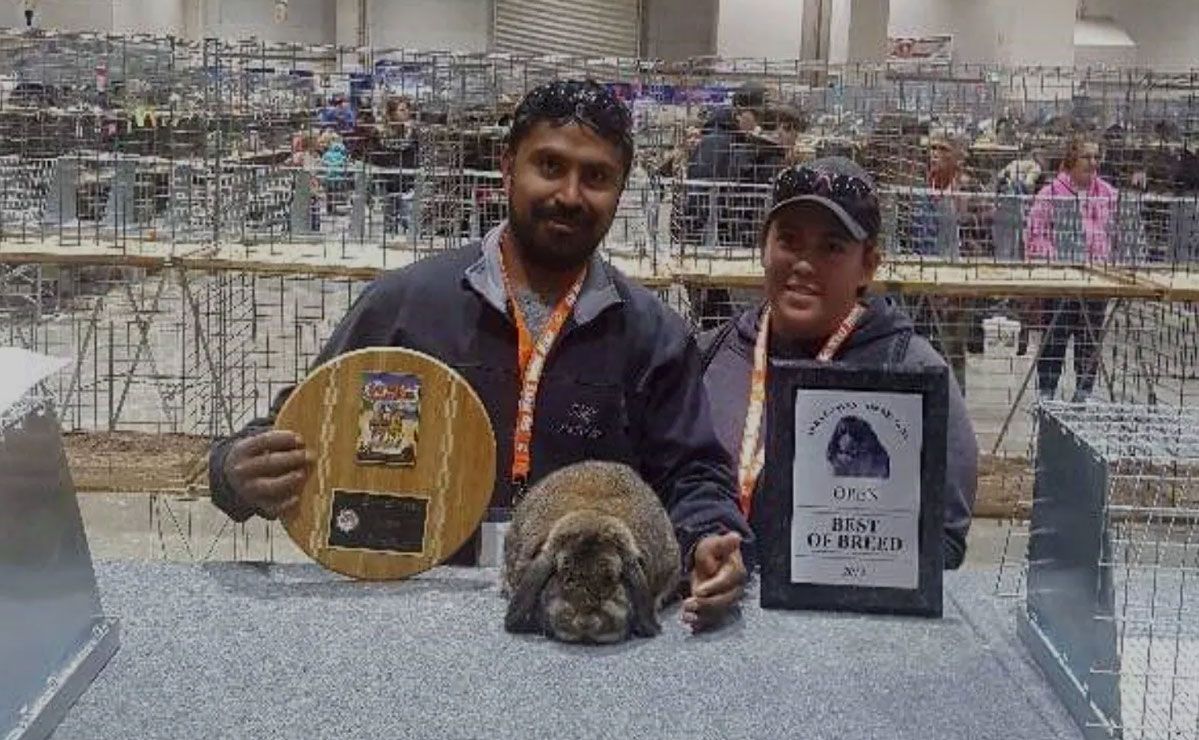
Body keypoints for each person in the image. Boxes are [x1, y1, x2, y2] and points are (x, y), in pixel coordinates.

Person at [208, 79, 751, 632]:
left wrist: (708, 536)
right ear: (507, 165)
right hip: (407, 609)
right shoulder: (407, 306)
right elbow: (303, 422)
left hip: (570, 628)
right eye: (549, 165)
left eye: (596, 177)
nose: (569, 194)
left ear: (620, 189)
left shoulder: (653, 335)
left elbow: (694, 472)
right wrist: (234, 470)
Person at [698, 158, 978, 569]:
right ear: (764, 247)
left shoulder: (913, 374)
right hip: (712, 618)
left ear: (868, 264)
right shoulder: (706, 356)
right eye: (789, 240)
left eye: (831, 247)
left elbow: (945, 540)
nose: (804, 264)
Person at [1024, 136, 1117, 401]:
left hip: (1097, 281)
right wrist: (1058, 258)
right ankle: (1047, 394)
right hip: (1061, 281)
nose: (1093, 162)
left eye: (1096, 157)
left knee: (1089, 341)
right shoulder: (1050, 194)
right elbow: (1034, 235)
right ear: (1071, 160)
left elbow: (1120, 233)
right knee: (1055, 337)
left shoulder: (1109, 195)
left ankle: (1083, 396)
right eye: (1087, 157)